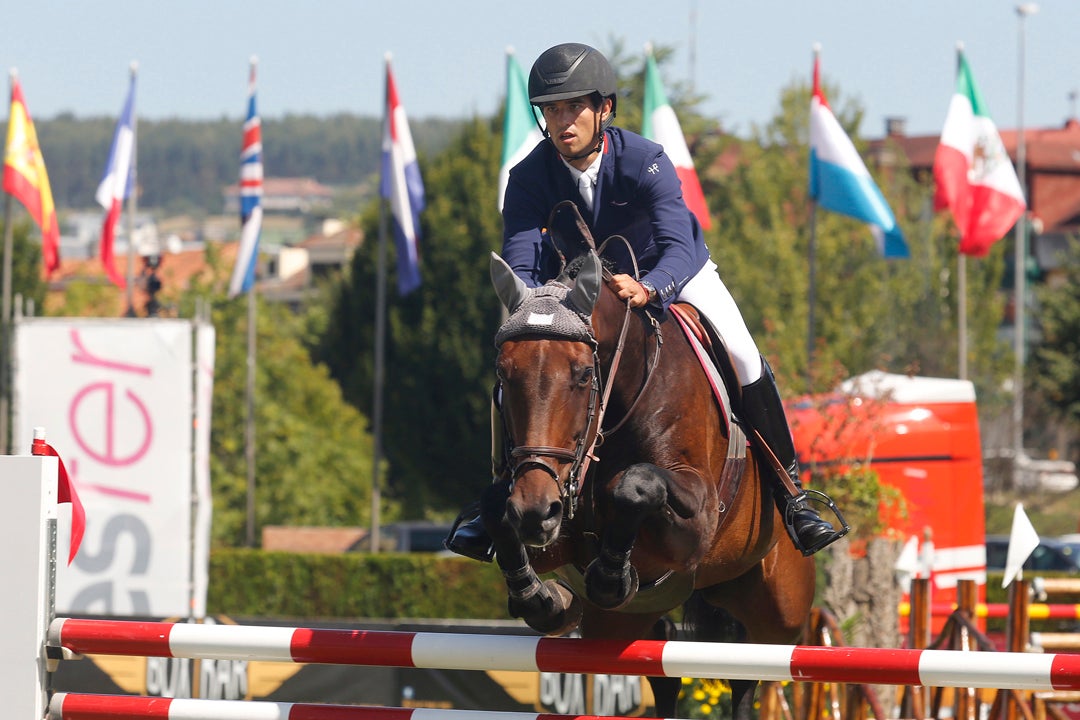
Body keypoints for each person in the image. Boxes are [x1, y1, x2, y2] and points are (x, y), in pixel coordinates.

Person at [445, 42, 845, 561]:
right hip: (575, 290)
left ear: (603, 108)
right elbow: (520, 259)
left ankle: (791, 495)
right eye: (551, 110)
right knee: (525, 372)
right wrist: (529, 306)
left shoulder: (644, 160)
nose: (562, 121)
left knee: (744, 356)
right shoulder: (527, 176)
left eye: (573, 107)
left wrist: (651, 286)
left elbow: (678, 242)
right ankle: (497, 497)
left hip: (673, 273)